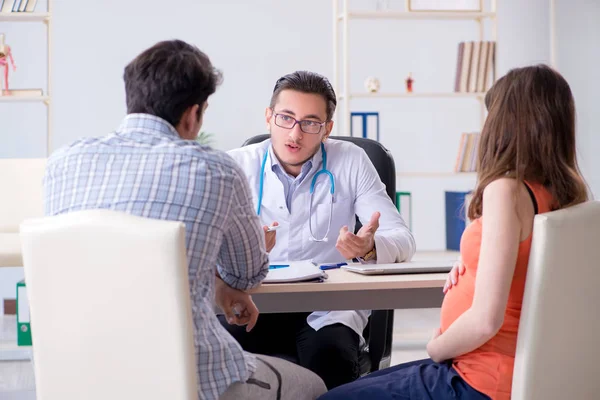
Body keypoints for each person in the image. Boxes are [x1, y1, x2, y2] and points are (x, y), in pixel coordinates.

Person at [42, 40, 326, 400]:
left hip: (83, 375)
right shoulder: (216, 170)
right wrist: (226, 280)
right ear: (193, 114)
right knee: (316, 386)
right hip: (197, 379)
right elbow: (248, 274)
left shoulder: (62, 163)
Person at [318, 64, 589, 400]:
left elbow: (486, 321)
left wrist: (436, 346)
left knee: (330, 398)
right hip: (512, 367)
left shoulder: (506, 191)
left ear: (506, 123)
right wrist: (474, 267)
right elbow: (528, 268)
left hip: (480, 375)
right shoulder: (566, 193)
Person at [221, 70, 416, 389]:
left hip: (329, 306)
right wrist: (244, 248)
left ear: (327, 129)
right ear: (269, 117)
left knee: (330, 361)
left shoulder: (351, 161)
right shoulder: (236, 166)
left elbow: (402, 239)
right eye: (286, 118)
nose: (295, 134)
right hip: (258, 299)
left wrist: (368, 247)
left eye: (310, 123)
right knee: (222, 361)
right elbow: (206, 248)